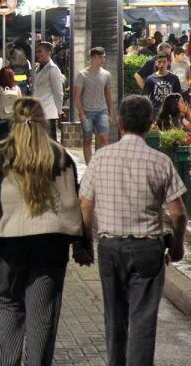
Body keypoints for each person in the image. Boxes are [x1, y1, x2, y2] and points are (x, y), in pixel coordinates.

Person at [79, 95, 188, 366]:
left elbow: (85, 206)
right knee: (143, 319)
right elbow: (178, 212)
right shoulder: (160, 161)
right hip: (148, 248)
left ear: (119, 123)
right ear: (150, 124)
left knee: (114, 318)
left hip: (110, 248)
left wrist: (83, 243)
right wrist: (176, 247)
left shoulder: (100, 158)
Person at [0, 97, 87, 366]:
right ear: (43, 122)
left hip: (9, 247)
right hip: (49, 249)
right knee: (42, 319)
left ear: (13, 122)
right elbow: (71, 203)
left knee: (9, 308)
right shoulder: (60, 157)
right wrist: (79, 240)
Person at [73, 47, 114, 164]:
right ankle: (89, 166)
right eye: (100, 57)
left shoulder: (106, 74)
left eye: (104, 57)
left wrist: (111, 113)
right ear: (93, 58)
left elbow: (108, 94)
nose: (103, 59)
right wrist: (81, 113)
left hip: (102, 110)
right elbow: (77, 96)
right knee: (87, 139)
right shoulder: (82, 75)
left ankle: (102, 165)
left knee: (104, 139)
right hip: (87, 112)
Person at [32, 42, 64, 140]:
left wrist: (59, 111)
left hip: (48, 113)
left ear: (49, 53)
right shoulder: (38, 68)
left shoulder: (53, 69)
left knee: (49, 145)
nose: (37, 54)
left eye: (40, 51)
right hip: (38, 113)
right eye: (37, 52)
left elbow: (58, 92)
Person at [0, 67, 22, 141]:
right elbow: (20, 104)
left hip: (0, 121)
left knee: (2, 146)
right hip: (14, 121)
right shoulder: (17, 89)